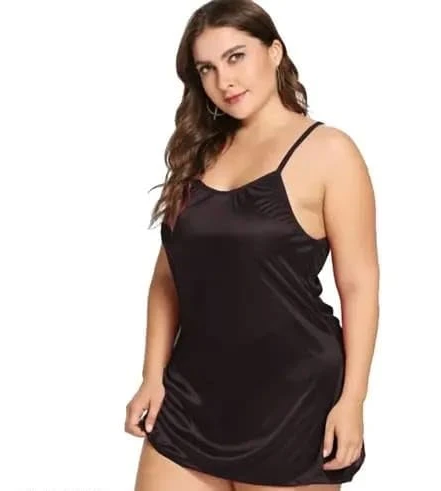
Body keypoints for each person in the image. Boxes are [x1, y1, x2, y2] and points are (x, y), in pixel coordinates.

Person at [126, 1, 379, 490]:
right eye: (207, 68)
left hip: (292, 403)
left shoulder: (330, 152)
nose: (225, 80)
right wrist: (151, 376)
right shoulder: (199, 152)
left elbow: (359, 285)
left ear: (275, 52)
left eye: (236, 56)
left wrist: (353, 401)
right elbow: (166, 280)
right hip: (191, 397)